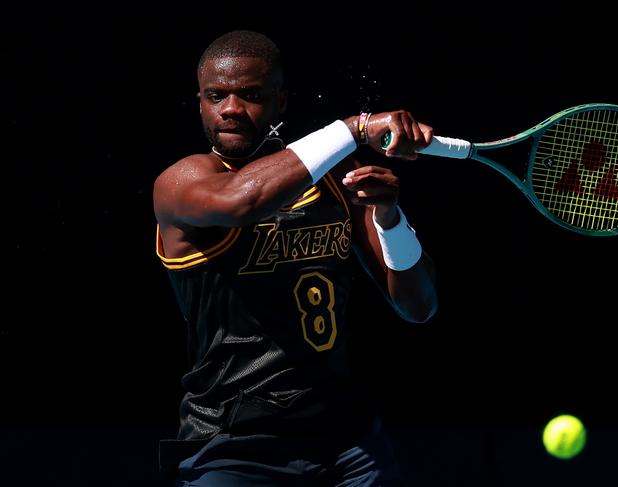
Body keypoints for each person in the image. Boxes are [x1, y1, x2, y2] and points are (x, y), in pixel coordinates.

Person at [153, 29, 437, 486]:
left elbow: (419, 307)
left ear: (280, 101)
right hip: (233, 445)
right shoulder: (182, 182)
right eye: (215, 96)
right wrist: (354, 128)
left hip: (348, 444)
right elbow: (243, 202)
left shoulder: (333, 179)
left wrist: (389, 218)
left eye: (250, 95)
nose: (230, 108)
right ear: (201, 103)